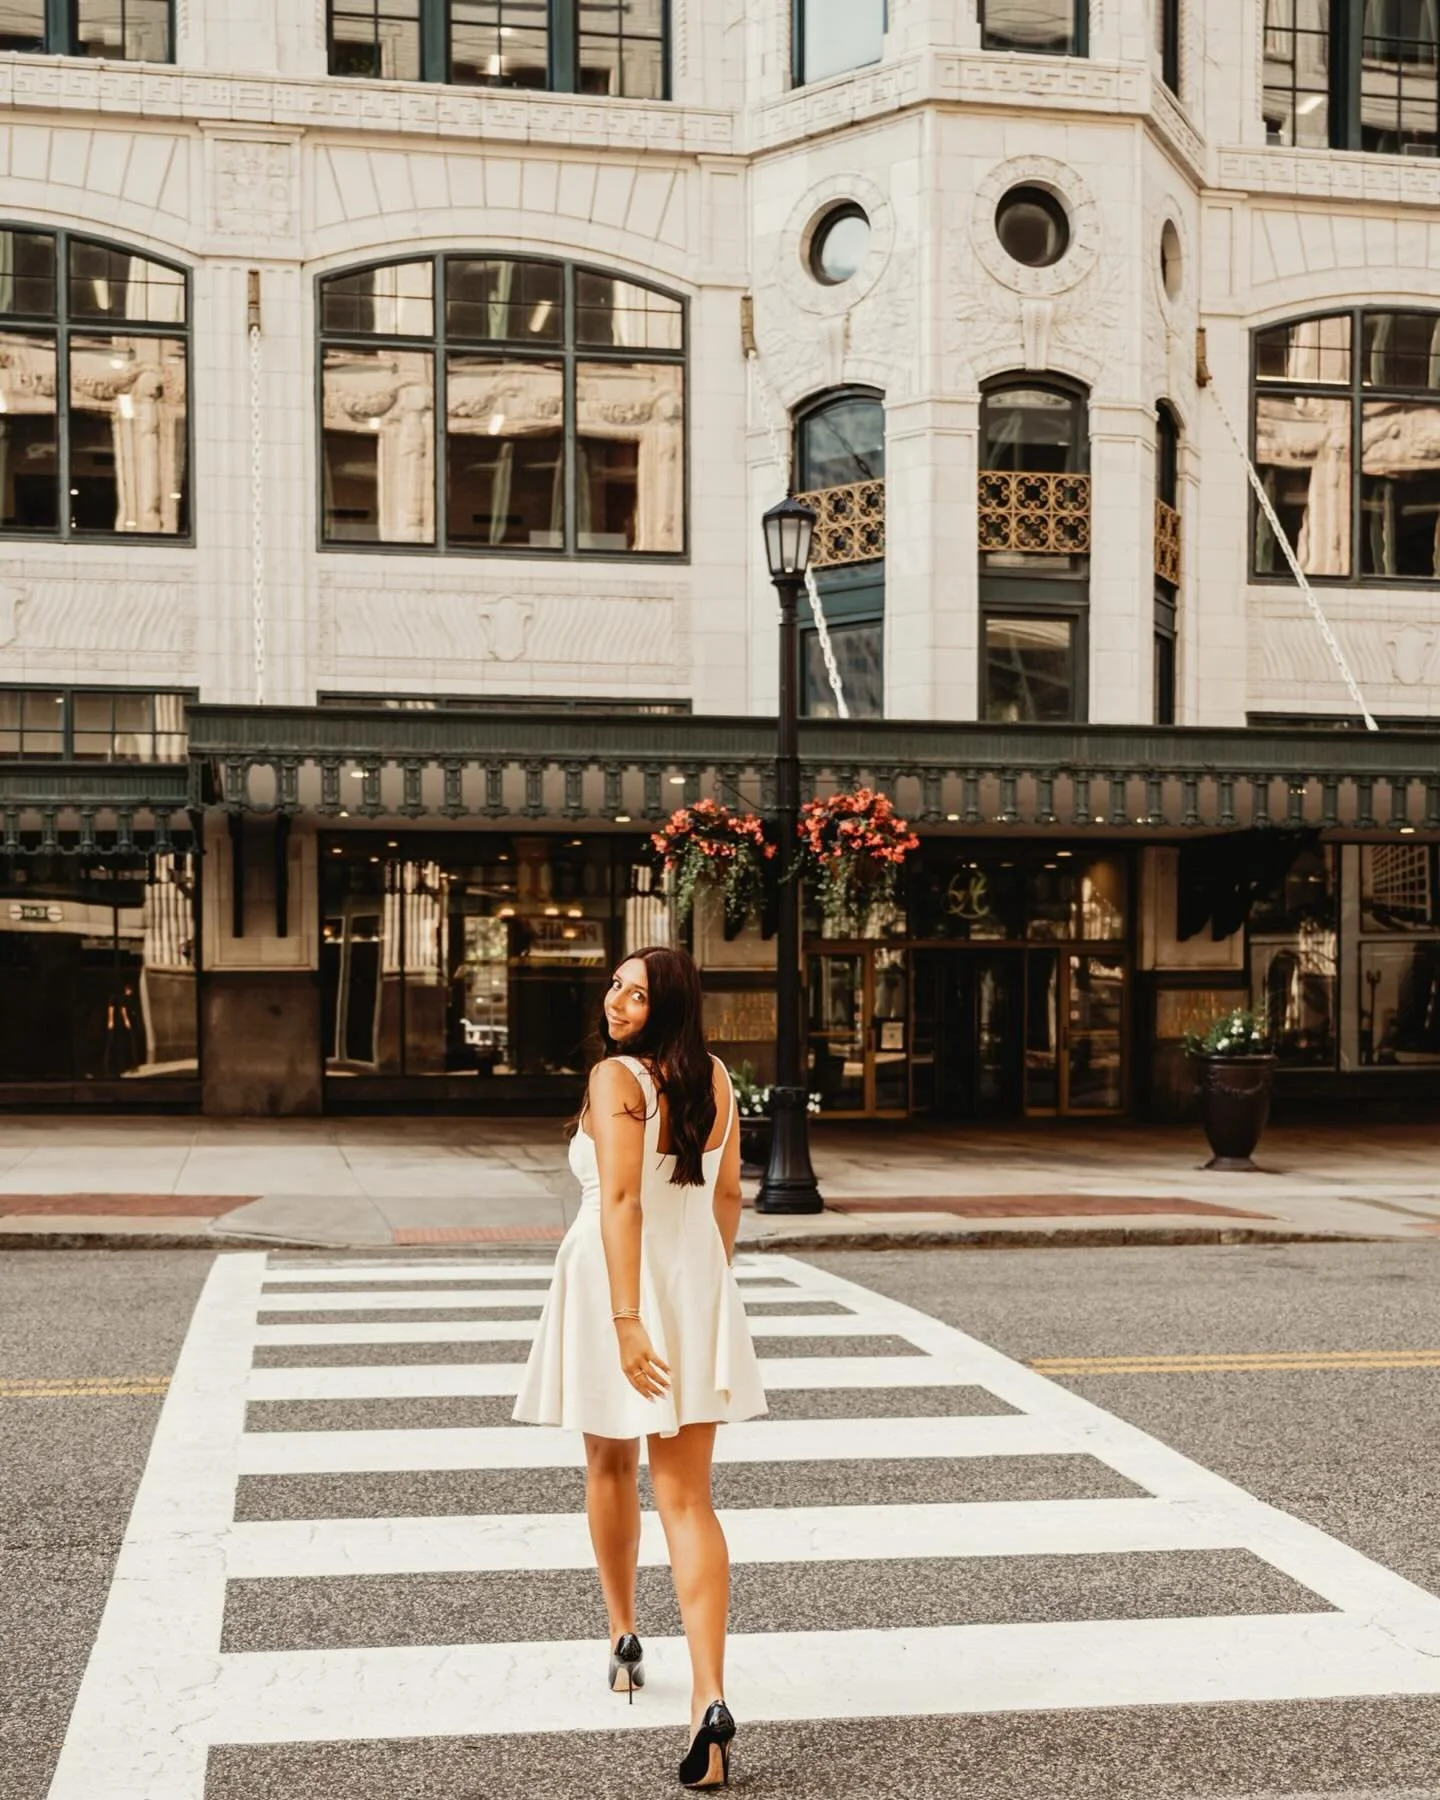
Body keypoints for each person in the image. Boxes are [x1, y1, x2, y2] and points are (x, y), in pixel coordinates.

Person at [513, 944, 766, 1789]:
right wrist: (703, 1288)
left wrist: (627, 1317)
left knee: (608, 1462)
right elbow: (728, 1196)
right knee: (690, 1499)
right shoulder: (721, 1078)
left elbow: (620, 1200)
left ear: (668, 1005)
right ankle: (710, 1698)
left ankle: (624, 1635)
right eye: (615, 985)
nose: (617, 999)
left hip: (614, 1282)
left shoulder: (616, 1078)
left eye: (636, 991)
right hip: (696, 1280)